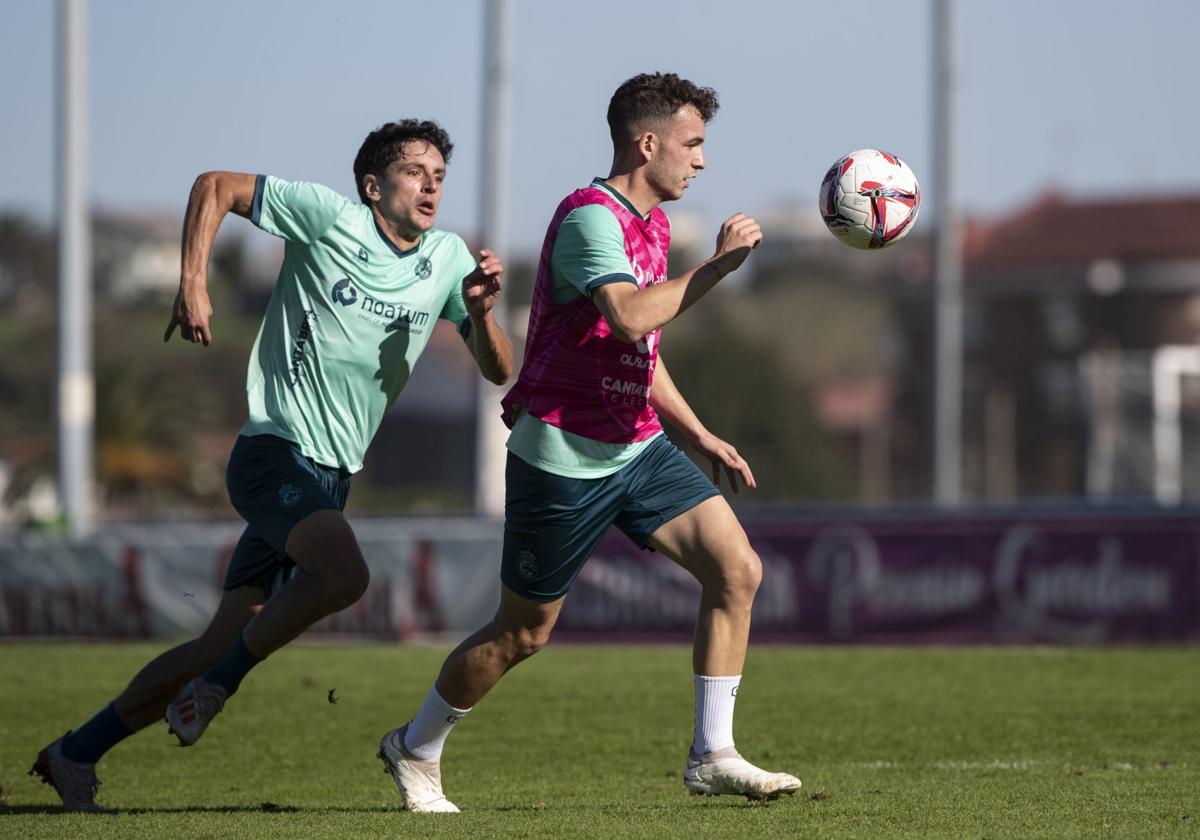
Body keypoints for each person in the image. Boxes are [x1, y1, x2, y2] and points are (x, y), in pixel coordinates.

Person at [30, 119, 513, 813]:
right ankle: (220, 687)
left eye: (439, 171)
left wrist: (483, 313)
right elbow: (214, 186)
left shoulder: (446, 259)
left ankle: (75, 753)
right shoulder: (330, 217)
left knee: (214, 642)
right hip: (273, 454)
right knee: (344, 575)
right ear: (374, 186)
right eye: (414, 169)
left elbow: (498, 369)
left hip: (330, 479)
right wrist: (192, 281)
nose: (432, 181)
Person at [378, 73, 800, 813]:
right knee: (522, 635)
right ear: (648, 143)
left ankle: (713, 753)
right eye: (692, 144)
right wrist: (719, 268)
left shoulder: (655, 227)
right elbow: (632, 315)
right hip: (564, 457)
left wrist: (697, 433)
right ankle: (414, 747)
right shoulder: (588, 218)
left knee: (737, 571)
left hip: (636, 447)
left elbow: (639, 350)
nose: (701, 161)